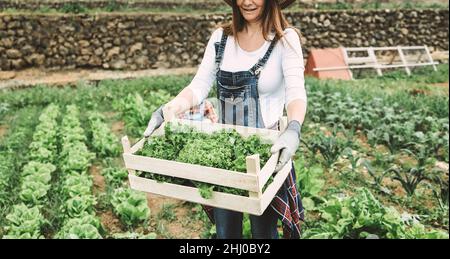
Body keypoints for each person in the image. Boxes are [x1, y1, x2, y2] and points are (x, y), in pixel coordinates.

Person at [144, 0, 307, 239]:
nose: (247, 2)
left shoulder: (285, 39)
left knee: (264, 232)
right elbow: (198, 86)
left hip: (265, 152)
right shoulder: (221, 38)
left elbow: (296, 93)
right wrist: (167, 109)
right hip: (225, 151)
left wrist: (293, 129)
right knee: (225, 231)